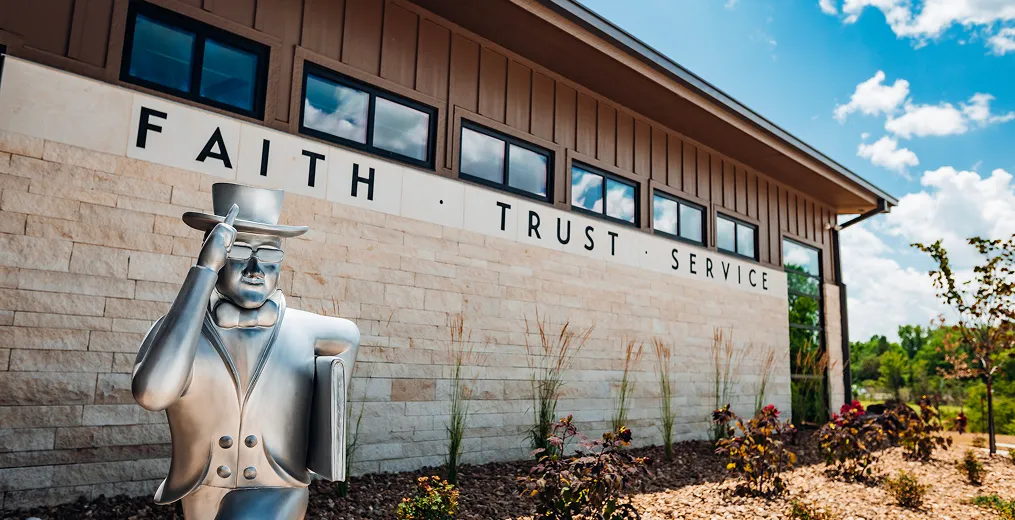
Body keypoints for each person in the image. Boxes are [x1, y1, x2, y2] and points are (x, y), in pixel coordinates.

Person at [132, 183, 360, 519]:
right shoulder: (180, 329)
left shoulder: (311, 332)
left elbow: (348, 337)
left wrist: (316, 450)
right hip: (199, 490)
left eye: (269, 254)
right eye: (238, 252)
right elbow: (152, 394)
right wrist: (204, 273)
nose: (255, 269)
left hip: (278, 486)